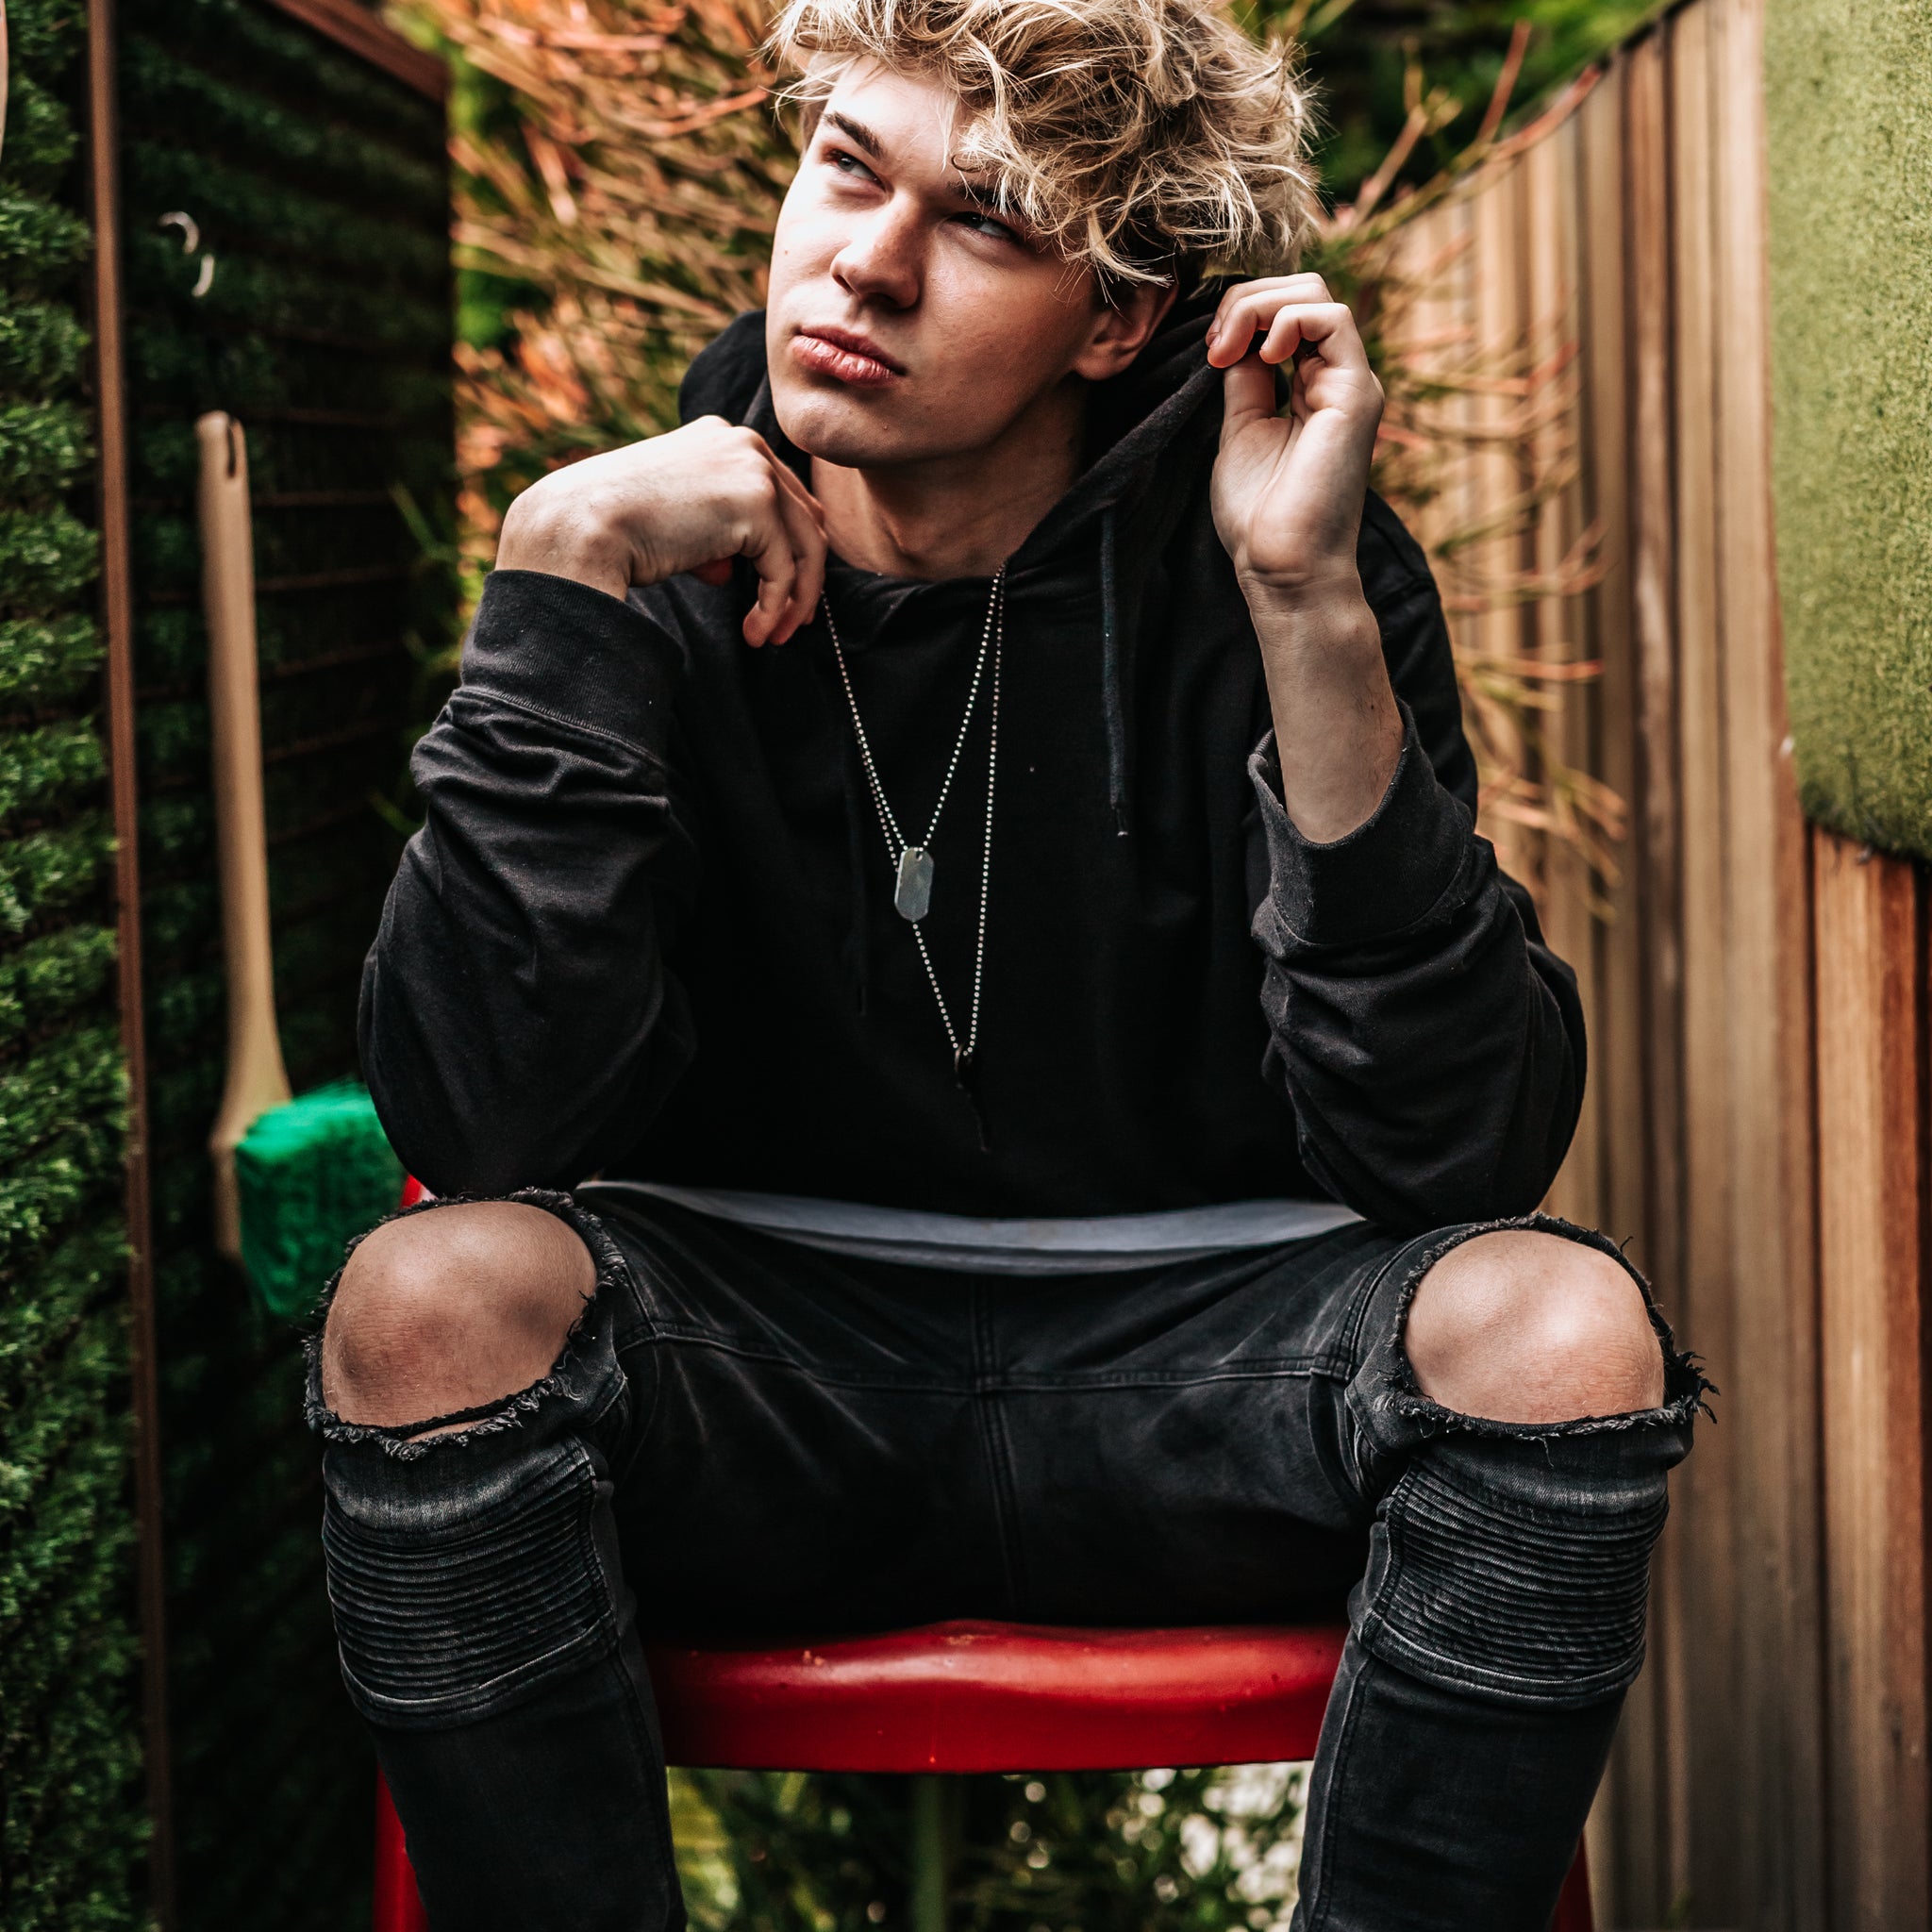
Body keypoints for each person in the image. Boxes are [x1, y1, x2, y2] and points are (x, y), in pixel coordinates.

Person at [310, 0, 1705, 1924]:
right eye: (845, 169)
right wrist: (554, 569)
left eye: (980, 222)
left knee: (1561, 1332)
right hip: (753, 1376)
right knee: (425, 1298)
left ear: (1116, 320)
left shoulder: (1275, 563)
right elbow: (482, 1122)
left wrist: (1304, 600)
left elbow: (1456, 1150)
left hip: (1210, 1372)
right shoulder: (637, 560)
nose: (865, 262)